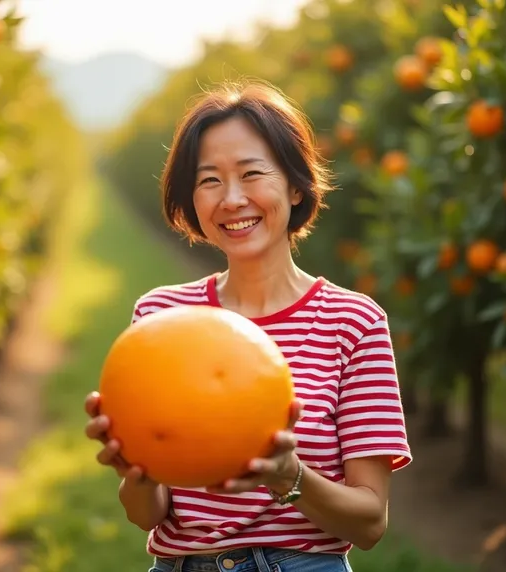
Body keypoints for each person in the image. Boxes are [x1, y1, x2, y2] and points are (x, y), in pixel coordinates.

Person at [84, 80, 413, 572]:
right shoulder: (161, 320)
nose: (232, 199)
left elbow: (369, 522)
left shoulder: (354, 323)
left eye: (252, 173)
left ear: (296, 184)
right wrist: (135, 471)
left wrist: (289, 476)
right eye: (209, 179)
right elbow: (146, 515)